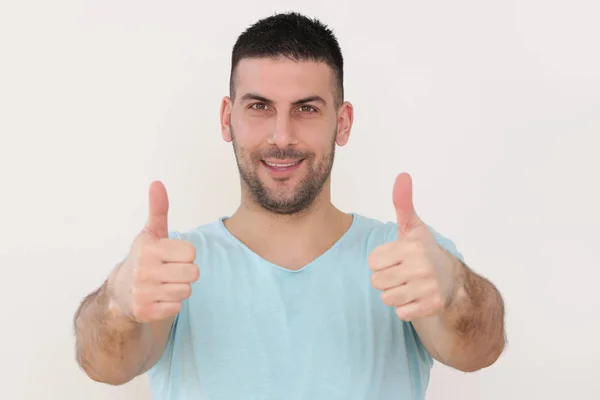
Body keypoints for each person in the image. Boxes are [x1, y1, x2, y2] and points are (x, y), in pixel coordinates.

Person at [73, 11, 506, 400]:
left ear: (343, 121)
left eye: (307, 109)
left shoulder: (408, 259)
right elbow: (105, 365)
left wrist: (454, 290)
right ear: (228, 119)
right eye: (259, 106)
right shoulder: (171, 268)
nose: (281, 136)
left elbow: (478, 351)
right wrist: (116, 304)